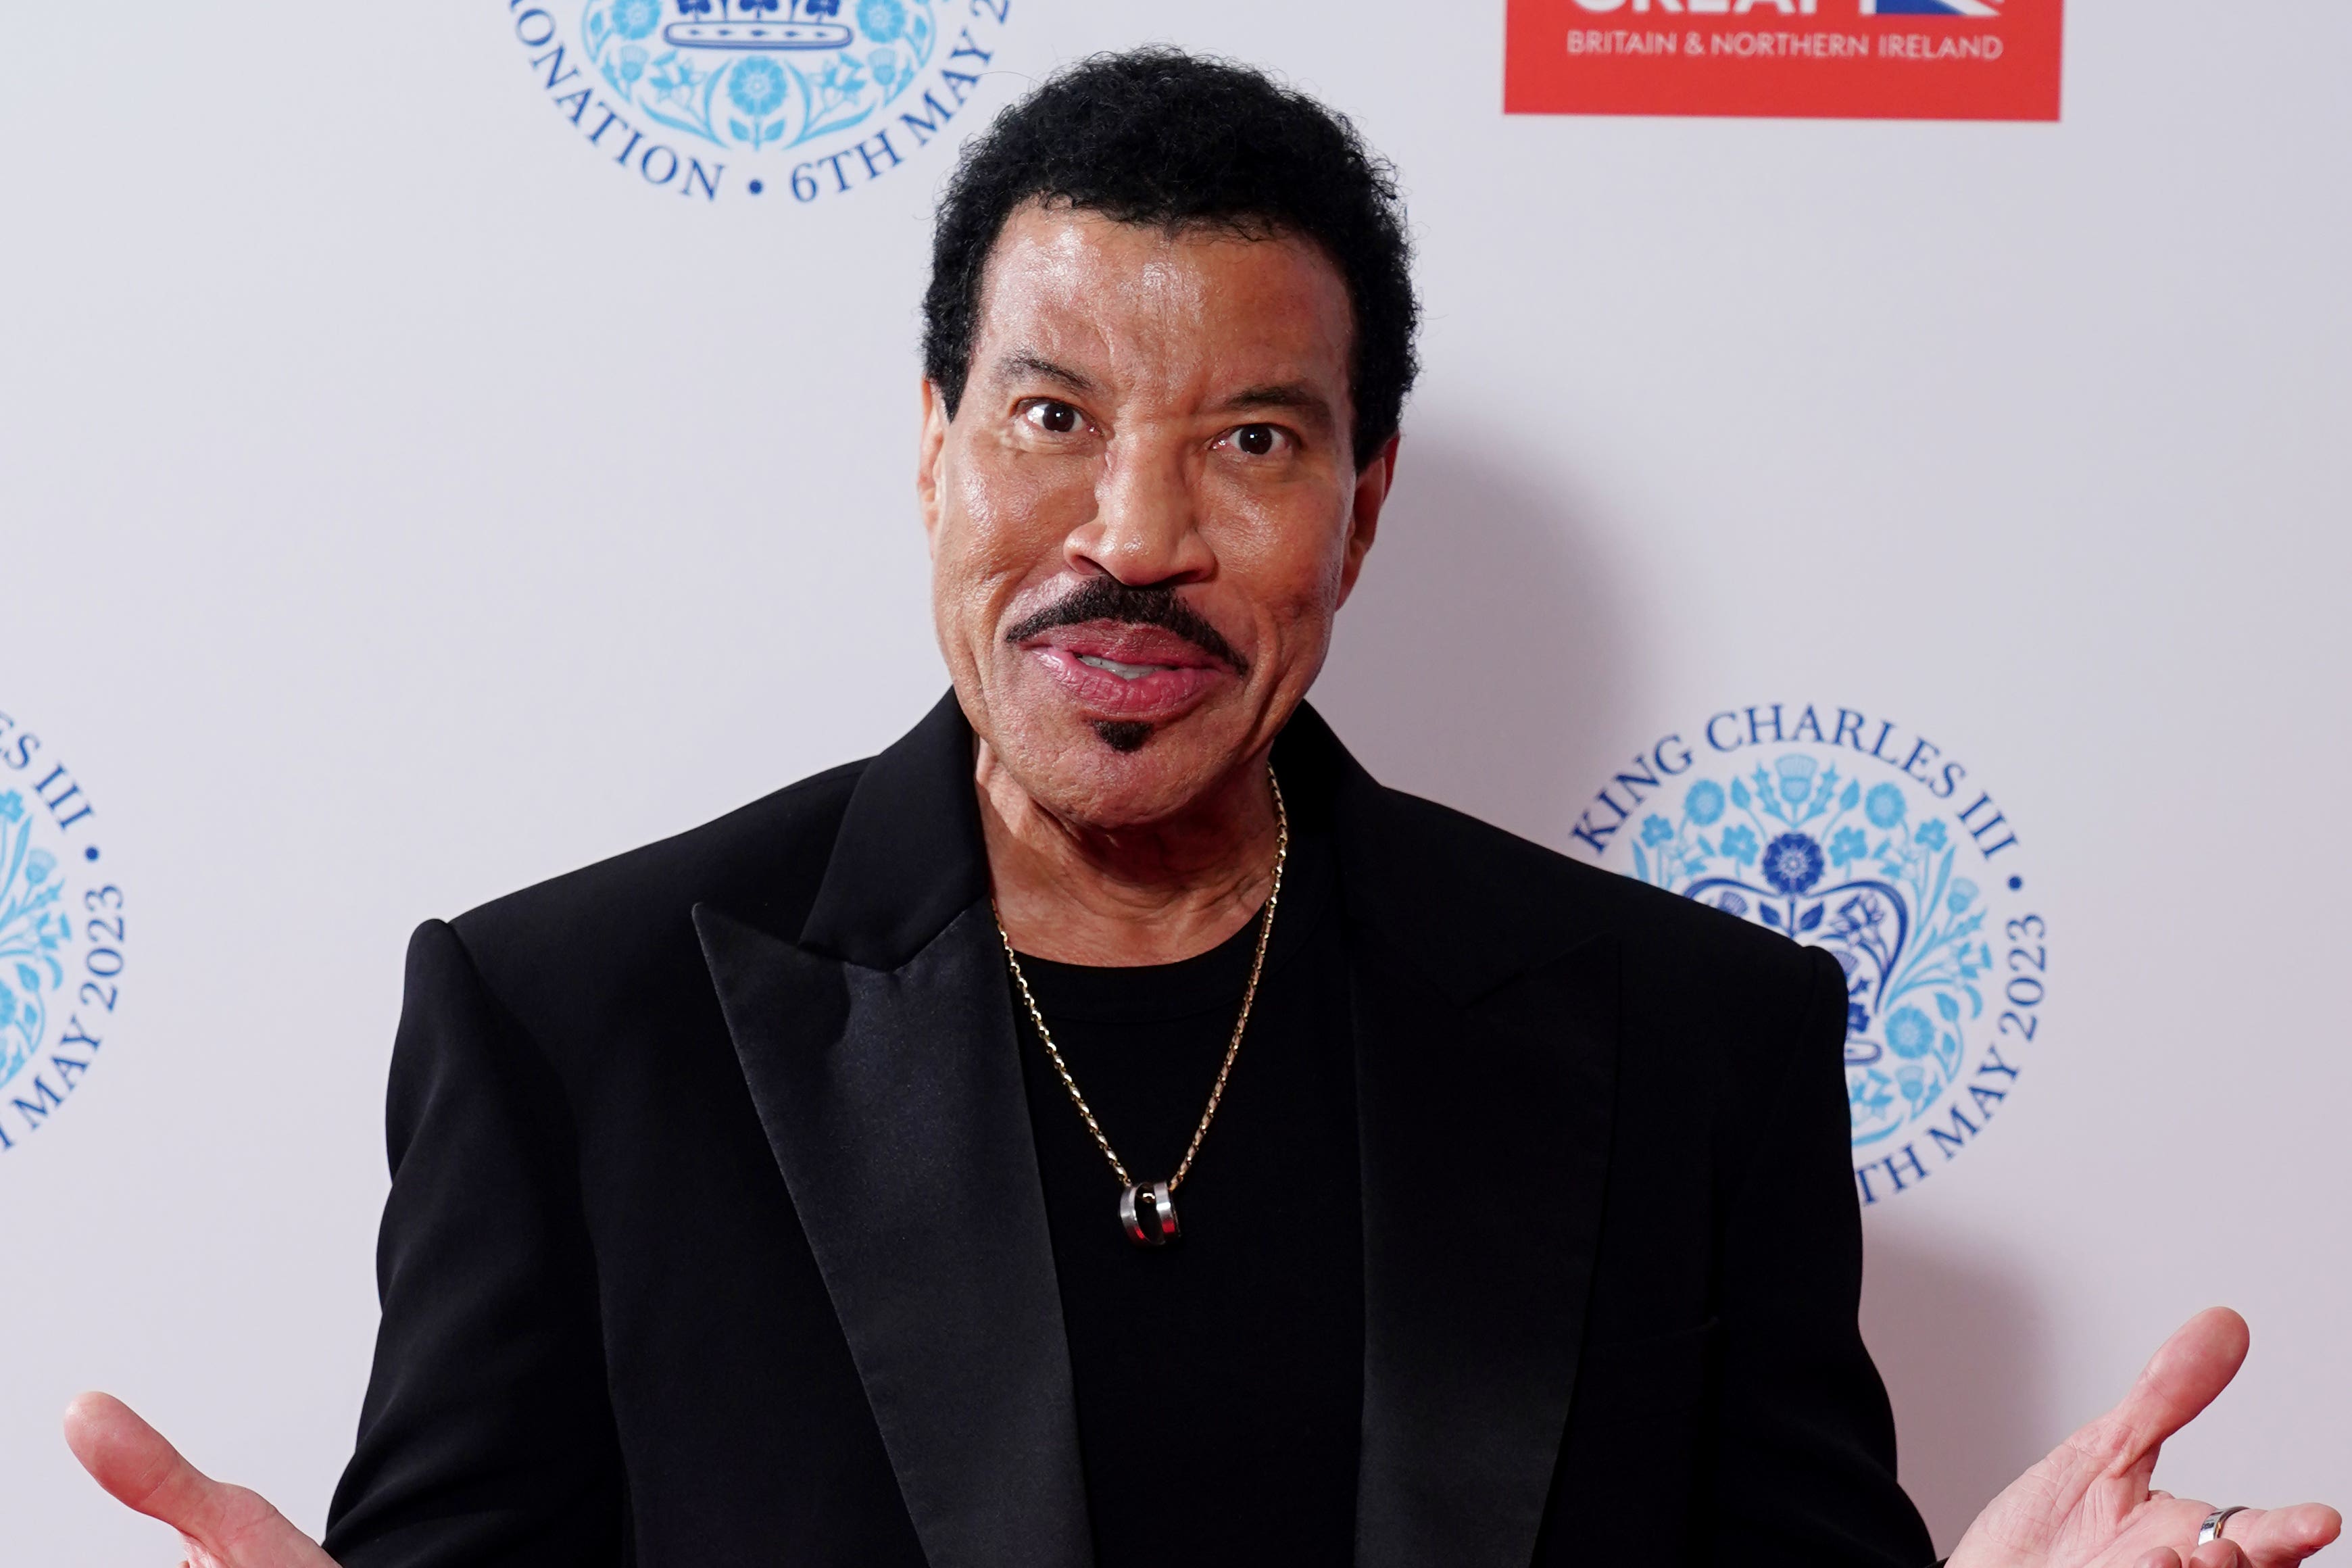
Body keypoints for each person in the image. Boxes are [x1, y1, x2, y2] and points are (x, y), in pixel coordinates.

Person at [64, 48, 2338, 1568]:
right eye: (1051, 414)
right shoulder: (572, 1029)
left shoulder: (1693, 1044)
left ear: (1361, 508)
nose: (1133, 531)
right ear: (934, 442)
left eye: (1252, 442)